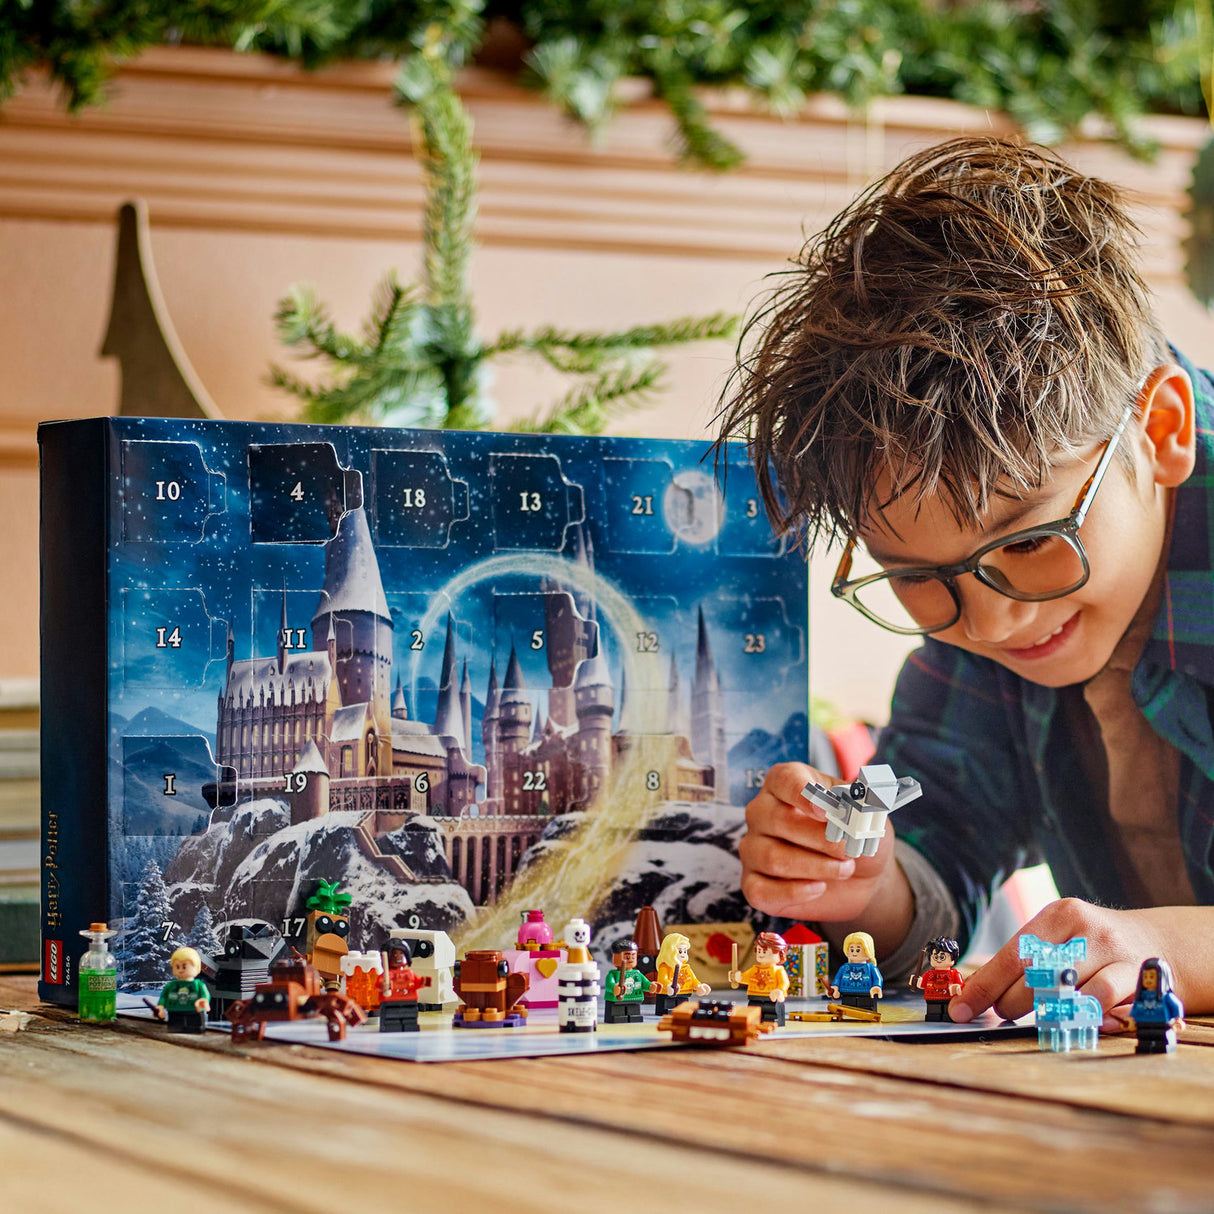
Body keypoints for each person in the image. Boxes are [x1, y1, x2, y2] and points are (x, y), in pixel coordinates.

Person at [714, 136, 1211, 1028]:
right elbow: (943, 847)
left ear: (1162, 429)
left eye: (1028, 543)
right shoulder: (981, 607)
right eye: (914, 576)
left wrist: (1176, 953)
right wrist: (865, 886)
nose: (988, 622)